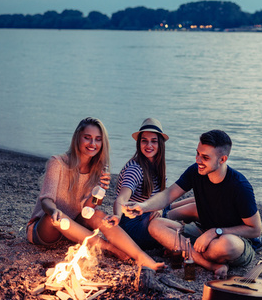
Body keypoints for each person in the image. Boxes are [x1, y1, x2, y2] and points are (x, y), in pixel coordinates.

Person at [124, 130, 262, 279]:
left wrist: (215, 232)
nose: (198, 160)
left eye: (205, 157)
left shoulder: (240, 186)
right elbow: (169, 194)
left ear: (222, 159)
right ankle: (210, 263)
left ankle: (187, 250)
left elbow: (255, 230)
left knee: (225, 245)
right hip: (202, 232)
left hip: (234, 239)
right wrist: (143, 206)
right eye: (198, 153)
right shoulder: (195, 171)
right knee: (156, 225)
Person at [26, 117, 165, 272]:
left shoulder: (97, 169)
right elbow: (46, 200)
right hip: (47, 228)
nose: (93, 144)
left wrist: (99, 191)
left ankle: (141, 257)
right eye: (87, 138)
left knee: (98, 215)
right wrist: (54, 211)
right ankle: (109, 247)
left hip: (74, 226)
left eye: (98, 140)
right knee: (55, 218)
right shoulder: (57, 163)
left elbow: (87, 210)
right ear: (77, 137)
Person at [105, 118, 183, 251]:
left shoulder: (156, 166)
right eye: (144, 141)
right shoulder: (135, 169)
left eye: (154, 141)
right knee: (181, 216)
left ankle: (190, 229)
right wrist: (117, 216)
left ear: (160, 144)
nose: (149, 145)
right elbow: (121, 198)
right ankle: (187, 235)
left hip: (152, 213)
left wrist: (159, 208)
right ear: (139, 143)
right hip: (136, 225)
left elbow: (161, 196)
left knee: (193, 203)